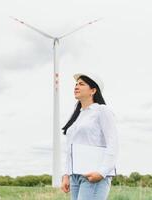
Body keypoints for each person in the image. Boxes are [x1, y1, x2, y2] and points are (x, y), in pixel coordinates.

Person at [60, 72, 119, 200]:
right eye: (76, 84)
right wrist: (66, 174)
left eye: (81, 84)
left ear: (93, 90)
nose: (76, 86)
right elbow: (69, 148)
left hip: (94, 173)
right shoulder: (77, 115)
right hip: (75, 174)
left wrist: (101, 173)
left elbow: (113, 144)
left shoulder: (102, 111)